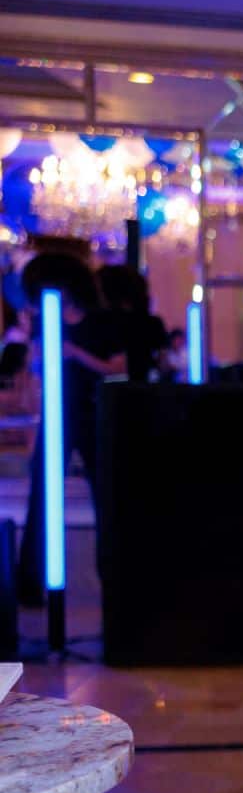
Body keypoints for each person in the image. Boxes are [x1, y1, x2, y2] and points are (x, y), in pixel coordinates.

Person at [17, 252, 121, 605]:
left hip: (95, 413)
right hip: (58, 413)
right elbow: (34, 368)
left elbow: (115, 367)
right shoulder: (46, 319)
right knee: (41, 496)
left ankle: (114, 580)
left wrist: (73, 353)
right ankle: (29, 583)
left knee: (107, 499)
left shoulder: (102, 322)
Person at [95, 264, 168, 384]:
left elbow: (113, 367)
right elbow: (163, 364)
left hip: (109, 391)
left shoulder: (104, 322)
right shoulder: (152, 323)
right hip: (146, 389)